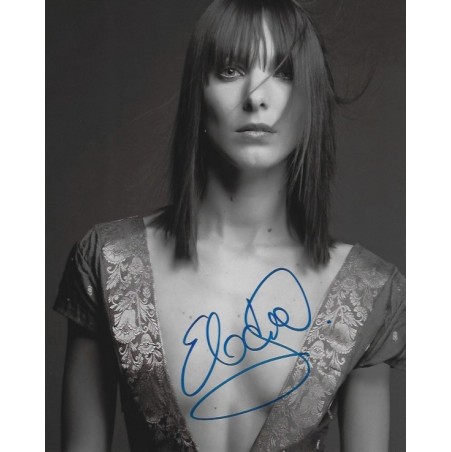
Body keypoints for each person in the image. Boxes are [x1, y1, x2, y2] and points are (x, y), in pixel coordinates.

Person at [54, 0, 406, 451]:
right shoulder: (108, 262)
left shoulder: (367, 290)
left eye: (283, 72)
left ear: (312, 100)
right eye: (230, 70)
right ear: (197, 94)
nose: (256, 96)